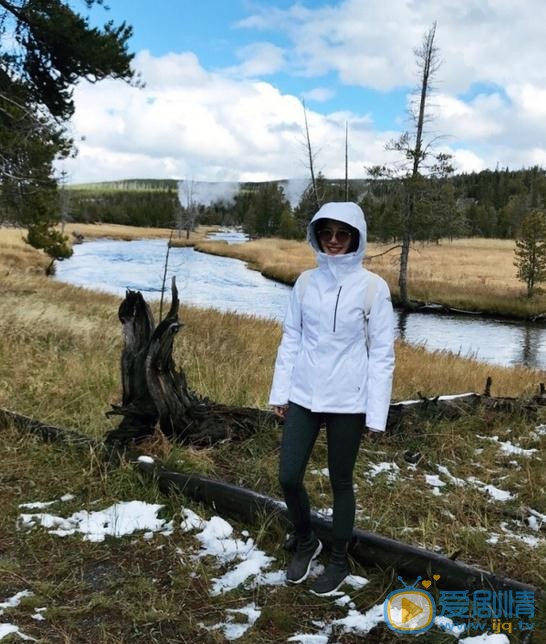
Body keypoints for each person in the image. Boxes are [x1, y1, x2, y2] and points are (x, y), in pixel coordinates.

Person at [269, 201, 395, 596]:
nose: (335, 241)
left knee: (341, 480)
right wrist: (281, 391)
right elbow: (292, 337)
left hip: (349, 401)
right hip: (304, 394)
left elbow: (382, 354)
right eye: (327, 233)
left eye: (343, 234)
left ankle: (338, 559)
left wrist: (376, 415)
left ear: (356, 238)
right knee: (288, 476)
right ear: (317, 235)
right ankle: (307, 541)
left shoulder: (373, 288)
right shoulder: (305, 283)